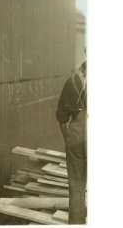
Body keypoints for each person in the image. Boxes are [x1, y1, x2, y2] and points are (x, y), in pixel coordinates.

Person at [56, 61, 87, 224]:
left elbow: (61, 116)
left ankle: (77, 222)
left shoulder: (73, 81)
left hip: (77, 133)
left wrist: (68, 137)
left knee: (77, 186)